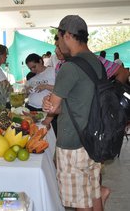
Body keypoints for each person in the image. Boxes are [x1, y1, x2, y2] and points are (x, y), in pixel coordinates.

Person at [43, 15, 110, 211]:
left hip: (73, 142)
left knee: (81, 203)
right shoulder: (97, 63)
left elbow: (53, 107)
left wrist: (49, 103)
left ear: (68, 36)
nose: (57, 42)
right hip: (94, 138)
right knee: (93, 193)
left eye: (58, 37)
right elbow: (80, 101)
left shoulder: (70, 67)